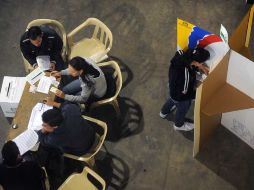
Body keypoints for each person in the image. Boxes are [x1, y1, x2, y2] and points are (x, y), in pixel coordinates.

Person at [159, 48, 210, 131]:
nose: (202, 64)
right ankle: (178, 125)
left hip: (173, 88)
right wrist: (198, 94)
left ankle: (163, 112)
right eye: (201, 62)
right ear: (196, 62)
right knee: (182, 109)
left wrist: (199, 66)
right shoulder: (185, 77)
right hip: (180, 95)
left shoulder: (181, 54)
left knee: (171, 100)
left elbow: (187, 60)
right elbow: (185, 93)